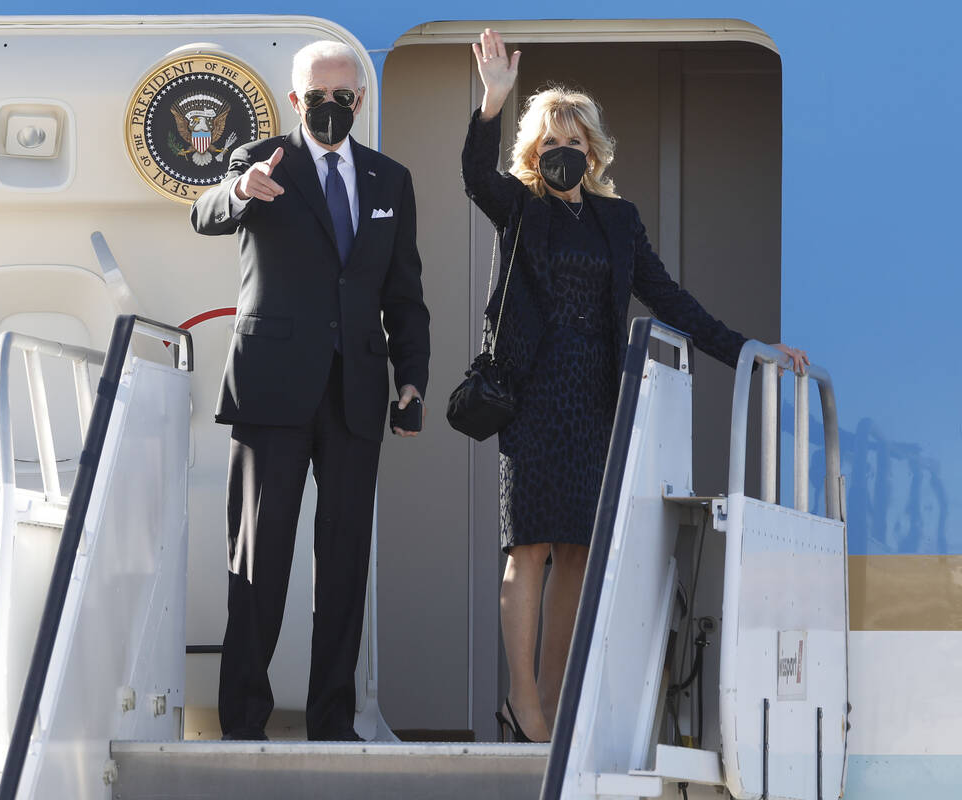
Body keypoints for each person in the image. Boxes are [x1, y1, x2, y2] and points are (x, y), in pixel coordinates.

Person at [464, 29, 809, 743]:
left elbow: (670, 299)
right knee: (528, 547)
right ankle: (520, 703)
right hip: (529, 399)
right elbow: (475, 174)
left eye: (576, 141)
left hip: (593, 401)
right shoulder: (519, 209)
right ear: (535, 152)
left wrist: (748, 349)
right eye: (551, 142)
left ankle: (557, 704)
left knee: (581, 551)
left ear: (593, 150)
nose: (564, 153)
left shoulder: (618, 221)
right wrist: (492, 102)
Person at [190, 40, 430, 742]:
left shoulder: (390, 180)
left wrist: (410, 377)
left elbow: (404, 294)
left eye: (344, 98)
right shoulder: (262, 161)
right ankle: (243, 721)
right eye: (318, 98)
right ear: (296, 100)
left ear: (361, 101)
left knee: (346, 561)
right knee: (259, 559)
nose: (332, 109)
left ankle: (332, 720)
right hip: (273, 391)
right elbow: (205, 214)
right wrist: (239, 191)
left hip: (354, 393)